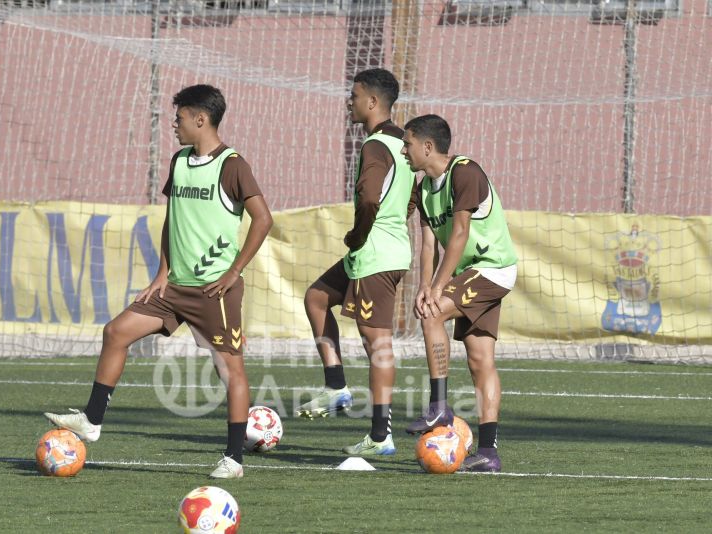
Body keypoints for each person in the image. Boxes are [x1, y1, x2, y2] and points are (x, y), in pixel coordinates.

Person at [44, 84, 273, 479]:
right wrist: (161, 274)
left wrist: (234, 272)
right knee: (116, 331)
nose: (174, 124)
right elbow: (174, 219)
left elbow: (264, 219)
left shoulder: (233, 165)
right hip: (172, 289)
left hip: (213, 291)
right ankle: (92, 421)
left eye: (179, 117)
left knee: (230, 370)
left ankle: (234, 459)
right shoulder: (180, 161)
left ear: (201, 119)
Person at [297, 68, 417, 456]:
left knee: (377, 344)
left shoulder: (376, 145)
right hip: (382, 251)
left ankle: (381, 436)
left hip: (375, 255)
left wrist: (360, 234)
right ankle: (335, 387)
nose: (349, 101)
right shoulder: (404, 143)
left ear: (372, 102)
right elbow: (413, 197)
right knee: (316, 297)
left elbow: (368, 199)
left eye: (354, 95)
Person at [400, 114, 517, 472]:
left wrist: (437, 289)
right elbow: (427, 245)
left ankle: (439, 406)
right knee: (480, 360)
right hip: (471, 275)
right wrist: (423, 285)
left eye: (407, 144)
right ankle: (489, 453)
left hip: (493, 268)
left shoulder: (465, 172)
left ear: (428, 147)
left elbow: (461, 234)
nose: (404, 152)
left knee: (432, 313)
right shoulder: (422, 188)